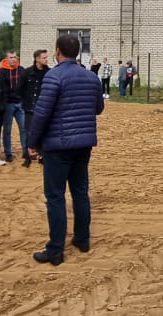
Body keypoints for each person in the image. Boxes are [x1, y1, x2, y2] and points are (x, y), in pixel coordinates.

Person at [26, 33, 105, 266]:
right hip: (84, 144)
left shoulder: (54, 76)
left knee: (55, 197)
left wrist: (32, 143)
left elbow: (41, 113)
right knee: (80, 192)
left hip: (58, 145)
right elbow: (98, 108)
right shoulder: (91, 77)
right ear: (77, 53)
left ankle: (55, 250)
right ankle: (82, 239)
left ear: (57, 52)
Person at [19, 49, 50, 167]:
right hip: (29, 108)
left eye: (47, 57)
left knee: (43, 132)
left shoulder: (50, 73)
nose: (46, 59)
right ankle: (27, 157)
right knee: (28, 133)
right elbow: (20, 89)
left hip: (43, 108)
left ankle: (42, 156)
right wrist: (26, 101)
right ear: (37, 59)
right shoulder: (27, 73)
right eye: (44, 57)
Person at [0, 49, 25, 161]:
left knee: (24, 128)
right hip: (8, 104)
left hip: (20, 103)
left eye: (15, 57)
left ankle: (26, 150)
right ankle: (8, 153)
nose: (13, 59)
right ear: (7, 58)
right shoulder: (2, 71)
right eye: (11, 57)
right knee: (7, 129)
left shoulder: (21, 70)